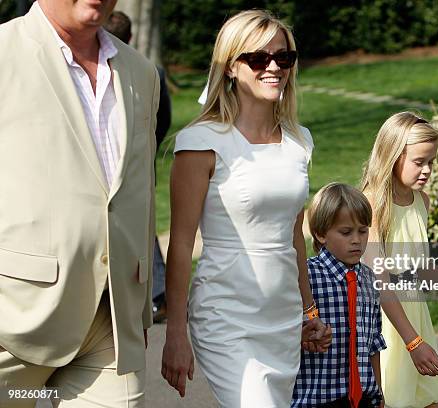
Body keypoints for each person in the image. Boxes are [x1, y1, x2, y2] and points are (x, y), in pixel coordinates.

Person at [161, 9, 332, 406]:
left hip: (283, 319)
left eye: (283, 57)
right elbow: (182, 244)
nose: (273, 67)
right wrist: (174, 334)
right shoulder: (200, 142)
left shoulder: (299, 141)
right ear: (231, 68)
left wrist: (309, 312)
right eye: (258, 58)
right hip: (226, 317)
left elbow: (294, 236)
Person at [0, 0, 159, 406]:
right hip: (13, 317)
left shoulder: (141, 72)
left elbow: (139, 189)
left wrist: (137, 309)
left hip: (109, 323)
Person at [360, 113, 438, 408]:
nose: (426, 170)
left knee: (432, 401)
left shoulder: (421, 201)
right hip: (385, 327)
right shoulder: (371, 204)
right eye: (418, 161)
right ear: (393, 156)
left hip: (416, 319)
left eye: (431, 162)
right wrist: (412, 343)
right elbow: (381, 283)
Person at [104, 10, 172, 322]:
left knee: (143, 228)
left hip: (139, 162)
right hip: (123, 164)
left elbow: (159, 122)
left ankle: (155, 294)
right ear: (130, 36)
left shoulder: (148, 72)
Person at [292, 183, 386, 408]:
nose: (356, 240)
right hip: (316, 399)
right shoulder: (305, 277)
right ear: (321, 234)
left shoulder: (369, 279)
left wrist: (378, 394)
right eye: (346, 232)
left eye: (363, 231)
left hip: (362, 399)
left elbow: (373, 342)